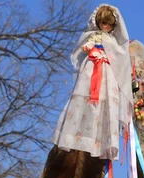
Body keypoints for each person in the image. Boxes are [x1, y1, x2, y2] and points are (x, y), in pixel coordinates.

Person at [53, 4, 132, 161]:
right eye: (103, 23)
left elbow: (120, 57)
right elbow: (83, 48)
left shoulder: (113, 42)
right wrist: (90, 48)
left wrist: (107, 56)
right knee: (84, 98)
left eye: (109, 24)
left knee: (105, 100)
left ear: (113, 26)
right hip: (91, 70)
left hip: (106, 72)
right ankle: (78, 135)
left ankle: (100, 138)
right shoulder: (93, 36)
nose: (105, 26)